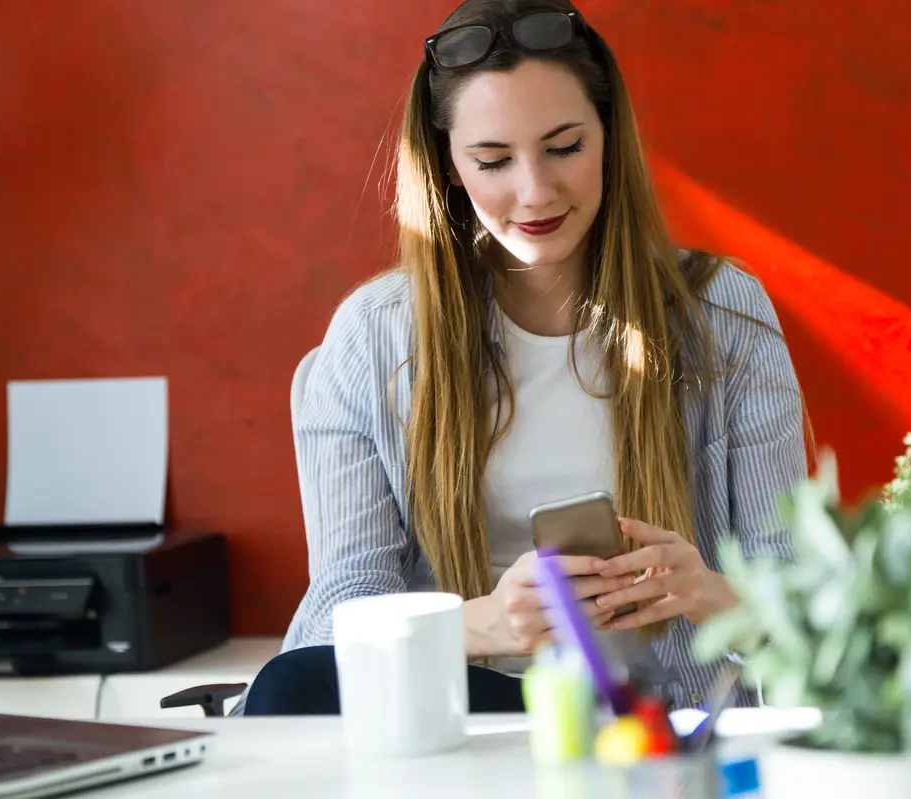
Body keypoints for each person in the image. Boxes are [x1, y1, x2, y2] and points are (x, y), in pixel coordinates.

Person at [239, 0, 808, 716]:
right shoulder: (373, 338)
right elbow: (333, 623)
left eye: (564, 146)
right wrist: (481, 624)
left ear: (609, 136)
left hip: (646, 722)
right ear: (448, 164)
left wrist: (705, 592)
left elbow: (807, 611)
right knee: (291, 690)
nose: (535, 191)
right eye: (493, 160)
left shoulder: (723, 316)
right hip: (453, 720)